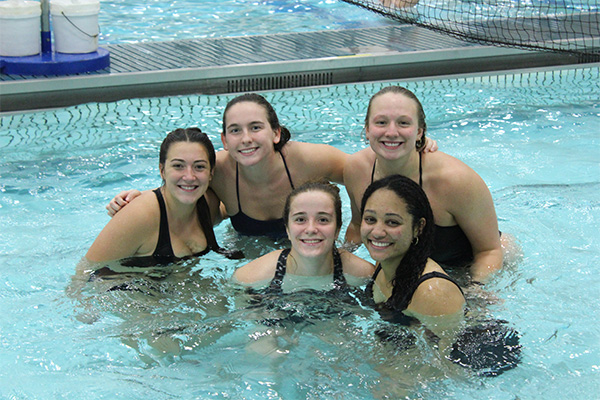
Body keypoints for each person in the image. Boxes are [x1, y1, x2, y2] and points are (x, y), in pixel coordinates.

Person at [345, 85, 508, 284]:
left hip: (466, 269)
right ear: (368, 130)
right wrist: (341, 258)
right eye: (381, 122)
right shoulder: (356, 169)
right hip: (407, 270)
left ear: (420, 131)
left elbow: (489, 251)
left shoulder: (455, 181)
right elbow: (355, 225)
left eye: (404, 123)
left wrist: (475, 292)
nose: (391, 132)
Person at [85, 127, 229, 266]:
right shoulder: (140, 216)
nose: (189, 177)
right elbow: (86, 273)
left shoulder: (208, 204)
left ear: (211, 173)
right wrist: (141, 199)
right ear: (162, 171)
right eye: (178, 166)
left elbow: (232, 212)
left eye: (199, 167)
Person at [360, 174, 466, 321]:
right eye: (370, 219)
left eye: (392, 222)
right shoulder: (383, 263)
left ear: (418, 227)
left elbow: (450, 343)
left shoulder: (433, 292)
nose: (377, 233)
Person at [233, 180, 374, 290]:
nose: (311, 229)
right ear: (287, 229)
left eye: (323, 220)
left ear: (337, 229)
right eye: (300, 219)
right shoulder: (248, 279)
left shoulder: (365, 275)